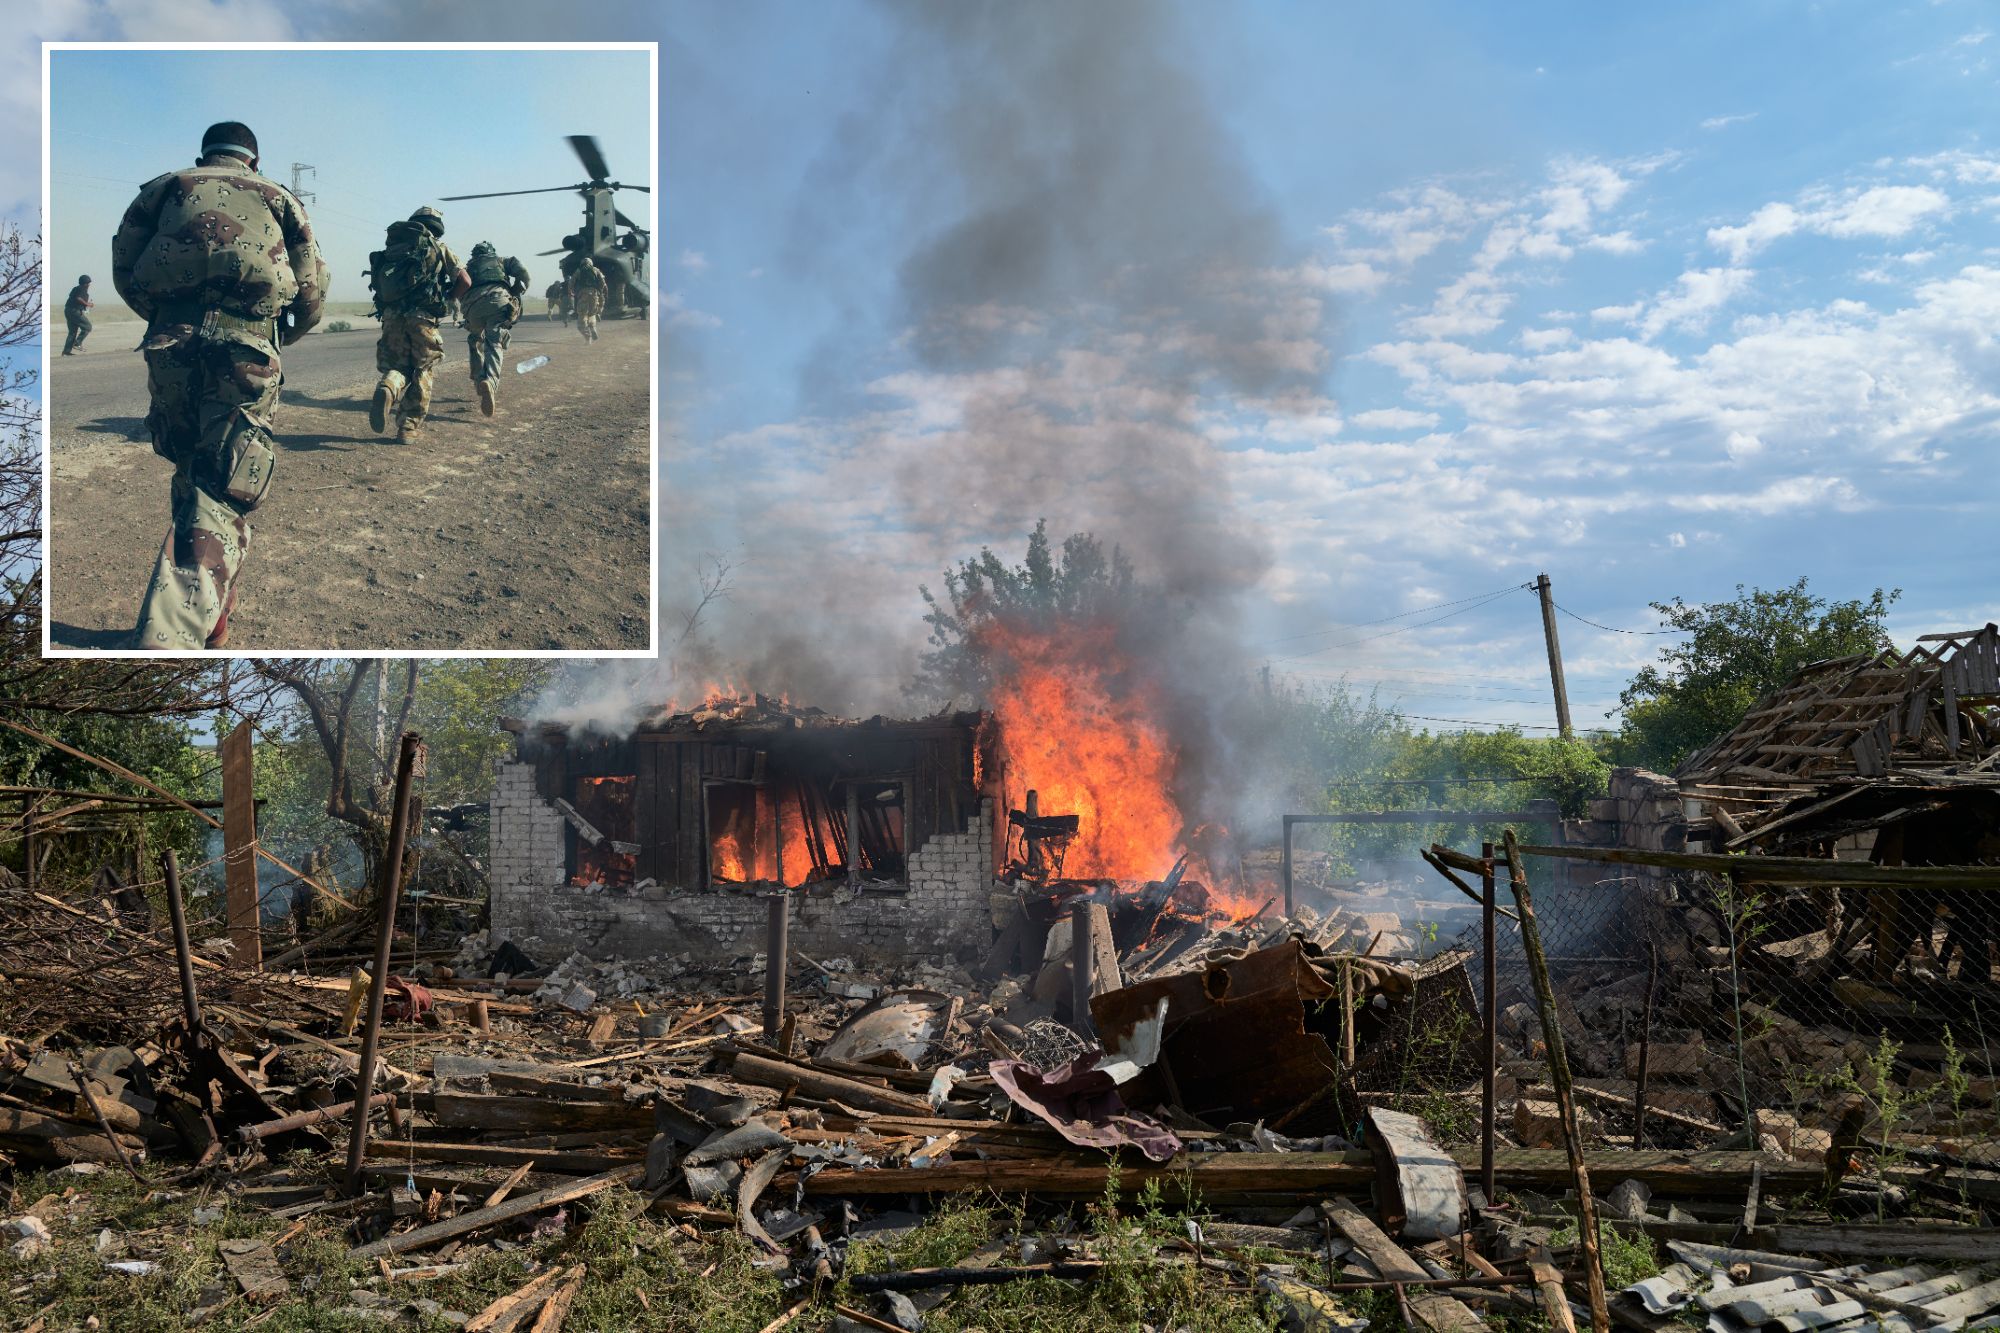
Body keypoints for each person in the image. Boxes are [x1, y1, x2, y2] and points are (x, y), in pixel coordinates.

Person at [112, 121, 325, 651]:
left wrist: (166, 321)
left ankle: (215, 616)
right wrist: (279, 337)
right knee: (226, 484)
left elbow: (125, 269)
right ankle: (172, 636)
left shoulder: (164, 188)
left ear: (204, 154)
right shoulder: (279, 197)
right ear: (253, 160)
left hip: (171, 342)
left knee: (192, 466)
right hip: (246, 345)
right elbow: (310, 289)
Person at [366, 206, 469, 443]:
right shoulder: (439, 248)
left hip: (392, 316)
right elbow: (465, 280)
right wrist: (449, 299)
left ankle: (389, 386)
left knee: (398, 366)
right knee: (423, 369)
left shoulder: (394, 249)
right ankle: (407, 427)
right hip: (423, 318)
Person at [461, 242, 530, 417]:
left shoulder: (467, 268)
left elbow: (459, 288)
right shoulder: (503, 261)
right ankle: (490, 381)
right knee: (494, 343)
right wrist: (516, 289)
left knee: (475, 339)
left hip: (472, 309)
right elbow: (524, 274)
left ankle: (478, 379)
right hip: (498, 303)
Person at [568, 256, 607, 342]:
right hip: (594, 294)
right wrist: (599, 291)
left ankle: (587, 337)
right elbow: (603, 283)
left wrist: (571, 292)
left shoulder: (578, 270)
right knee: (592, 314)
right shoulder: (596, 270)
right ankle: (593, 328)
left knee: (582, 317)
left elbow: (571, 282)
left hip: (583, 295)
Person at [60, 275, 94, 355]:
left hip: (68, 310)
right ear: (85, 283)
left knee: (72, 332)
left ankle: (66, 352)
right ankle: (77, 343)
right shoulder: (81, 289)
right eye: (88, 283)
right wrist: (87, 304)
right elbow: (78, 298)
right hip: (74, 311)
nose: (89, 285)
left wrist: (86, 305)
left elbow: (76, 299)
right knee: (87, 327)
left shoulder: (77, 289)